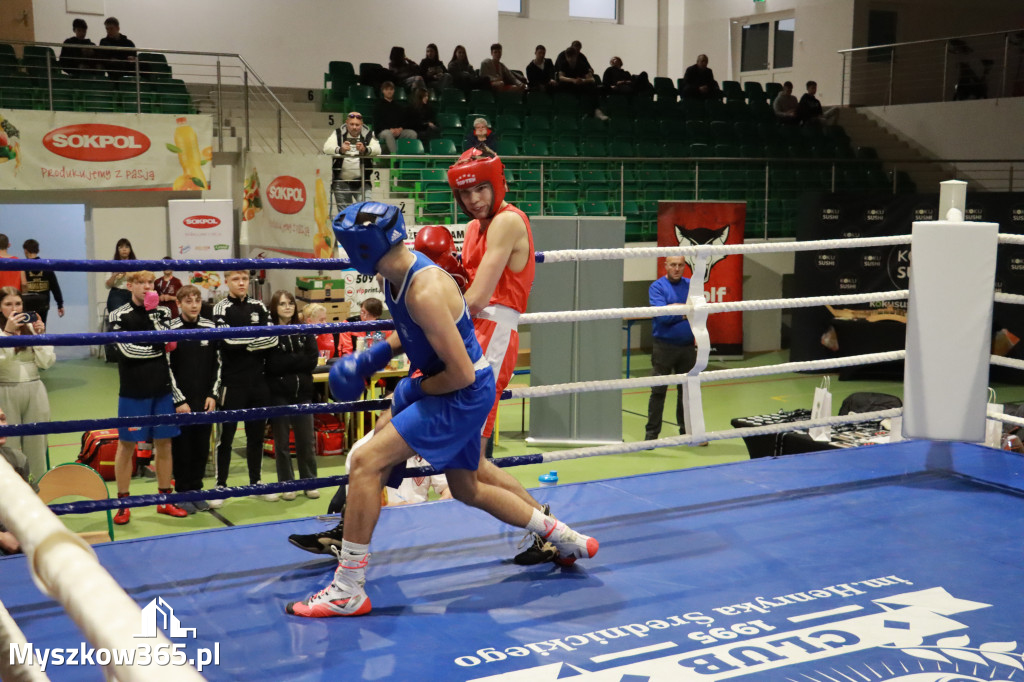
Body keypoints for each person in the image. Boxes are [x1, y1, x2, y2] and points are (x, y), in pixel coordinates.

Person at [285, 202, 598, 618]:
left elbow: (461, 374)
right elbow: (415, 330)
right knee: (467, 487)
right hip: (458, 387)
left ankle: (348, 589)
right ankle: (564, 536)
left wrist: (411, 388)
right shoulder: (400, 273)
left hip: (459, 392)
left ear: (361, 248)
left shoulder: (424, 288)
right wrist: (374, 357)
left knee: (364, 461)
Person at [108, 271, 186, 525]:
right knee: (127, 445)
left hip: (161, 389)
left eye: (150, 283)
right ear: (130, 285)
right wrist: (157, 345)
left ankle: (165, 501)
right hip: (133, 391)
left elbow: (170, 345)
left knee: (165, 444)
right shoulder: (119, 314)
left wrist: (155, 315)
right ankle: (123, 504)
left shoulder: (162, 312)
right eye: (141, 283)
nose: (146, 287)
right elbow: (127, 350)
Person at [211, 270, 279, 502]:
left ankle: (256, 482)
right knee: (226, 436)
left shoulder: (259, 306)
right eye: (235, 279)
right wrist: (253, 343)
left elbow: (273, 337)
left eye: (244, 279)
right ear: (227, 281)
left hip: (257, 382)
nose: (241, 283)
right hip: (232, 382)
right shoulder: (221, 308)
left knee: (256, 435)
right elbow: (226, 341)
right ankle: (221, 486)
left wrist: (246, 344)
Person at [168, 285, 218, 514]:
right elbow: (166, 367)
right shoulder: (171, 329)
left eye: (197, 300)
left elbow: (219, 365)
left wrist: (213, 395)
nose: (194, 305)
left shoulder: (210, 328)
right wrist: (178, 400)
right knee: (183, 448)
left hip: (204, 400)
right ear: (179, 304)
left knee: (201, 447)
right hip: (182, 403)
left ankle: (197, 490)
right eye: (188, 301)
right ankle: (182, 491)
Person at [266, 289, 319, 501]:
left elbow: (312, 360)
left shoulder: (304, 330)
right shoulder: (270, 333)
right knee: (282, 443)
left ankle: (309, 481)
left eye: (290, 303)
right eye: (282, 304)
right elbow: (272, 364)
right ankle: (287, 483)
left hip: (303, 392)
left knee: (306, 440)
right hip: (279, 393)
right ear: (275, 308)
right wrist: (297, 360)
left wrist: (289, 360)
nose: (287, 307)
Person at [0, 287, 54, 482]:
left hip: (35, 388)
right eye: (8, 304)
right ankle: (9, 499)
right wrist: (6, 333)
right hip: (5, 389)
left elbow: (46, 362)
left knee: (37, 445)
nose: (14, 308)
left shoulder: (29, 327)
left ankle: (38, 493)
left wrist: (40, 337)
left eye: (18, 303)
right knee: (8, 447)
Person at [645, 257, 699, 443]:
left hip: (687, 348)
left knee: (687, 392)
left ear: (684, 266)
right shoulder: (657, 287)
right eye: (673, 265)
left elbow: (698, 314)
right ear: (665, 265)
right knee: (658, 391)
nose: (676, 268)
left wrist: (675, 309)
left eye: (680, 265)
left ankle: (688, 432)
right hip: (663, 348)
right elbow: (662, 318)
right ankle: (651, 436)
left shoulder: (692, 285)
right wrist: (685, 312)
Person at [322, 112, 380, 209]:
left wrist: (365, 149)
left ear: (361, 124)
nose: (354, 127)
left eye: (357, 125)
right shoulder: (338, 133)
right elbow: (326, 148)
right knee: (344, 216)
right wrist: (340, 149)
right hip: (341, 183)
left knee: (366, 211)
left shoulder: (368, 134)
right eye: (351, 124)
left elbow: (378, 149)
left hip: (362, 183)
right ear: (347, 123)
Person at [0, 405, 35, 555]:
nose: (1, 425)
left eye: (2, 419)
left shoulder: (18, 460)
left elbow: (33, 506)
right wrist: (1, 538)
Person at [20, 239, 64, 324]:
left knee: (28, 331)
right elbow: (55, 287)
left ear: (25, 250)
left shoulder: (22, 267)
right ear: (38, 250)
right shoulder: (46, 266)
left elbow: (22, 284)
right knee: (41, 329)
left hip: (27, 304)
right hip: (43, 303)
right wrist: (60, 304)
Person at [374, 81, 417, 155]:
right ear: (383, 91)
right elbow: (377, 123)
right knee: (388, 133)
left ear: (393, 91)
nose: (389, 91)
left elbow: (404, 121)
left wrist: (400, 129)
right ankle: (395, 157)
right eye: (387, 89)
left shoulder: (398, 106)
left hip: (397, 131)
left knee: (412, 134)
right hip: (383, 131)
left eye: (391, 89)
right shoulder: (378, 106)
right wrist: (390, 129)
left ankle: (407, 156)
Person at [104, 238, 135, 315]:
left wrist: (128, 273)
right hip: (117, 293)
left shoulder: (136, 264)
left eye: (127, 247)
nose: (124, 249)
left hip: (133, 293)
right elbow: (108, 285)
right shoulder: (112, 264)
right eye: (121, 247)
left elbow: (141, 280)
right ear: (117, 250)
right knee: (118, 315)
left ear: (130, 250)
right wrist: (114, 275)